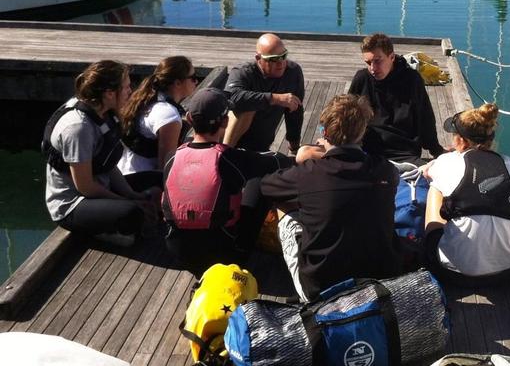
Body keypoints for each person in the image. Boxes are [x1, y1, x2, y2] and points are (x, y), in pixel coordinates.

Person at [254, 94, 403, 301]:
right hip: (378, 281)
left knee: (283, 204)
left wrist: (313, 157)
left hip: (321, 290)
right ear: (362, 132)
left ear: (324, 133)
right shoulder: (385, 170)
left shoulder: (309, 174)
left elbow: (266, 186)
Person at [161, 88, 293, 276]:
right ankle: (244, 248)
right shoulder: (231, 158)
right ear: (225, 121)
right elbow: (278, 160)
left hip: (179, 252)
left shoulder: (172, 157)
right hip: (224, 257)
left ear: (189, 119)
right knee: (260, 181)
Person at [43, 61, 149, 245]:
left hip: (102, 185)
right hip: (74, 204)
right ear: (109, 93)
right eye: (126, 87)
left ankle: (115, 223)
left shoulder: (103, 111)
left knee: (157, 179)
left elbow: (106, 164)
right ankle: (96, 232)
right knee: (133, 214)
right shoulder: (79, 128)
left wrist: (132, 194)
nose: (130, 91)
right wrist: (127, 201)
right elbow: (86, 187)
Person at [423, 103, 510, 287]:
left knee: (435, 189)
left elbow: (428, 173)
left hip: (454, 272)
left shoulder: (446, 162)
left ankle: (438, 245)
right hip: (506, 269)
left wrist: (433, 167)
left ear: (461, 141)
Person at [348, 33, 444, 165]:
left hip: (403, 152)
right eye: (368, 62)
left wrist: (436, 150)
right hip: (367, 149)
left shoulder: (411, 79)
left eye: (377, 61)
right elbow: (345, 115)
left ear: (391, 57)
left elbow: (425, 117)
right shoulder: (362, 78)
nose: (372, 68)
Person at [119, 56, 198, 191]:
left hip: (124, 174)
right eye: (193, 77)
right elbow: (165, 166)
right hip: (143, 183)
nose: (196, 81)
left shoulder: (146, 100)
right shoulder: (168, 115)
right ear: (178, 83)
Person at [223, 33, 304, 153]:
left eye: (284, 56)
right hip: (234, 143)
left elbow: (294, 111)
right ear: (258, 59)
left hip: (262, 146)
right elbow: (231, 97)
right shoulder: (243, 72)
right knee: (248, 105)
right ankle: (223, 155)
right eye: (274, 59)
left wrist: (295, 147)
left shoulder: (292, 72)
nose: (281, 63)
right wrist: (275, 98)